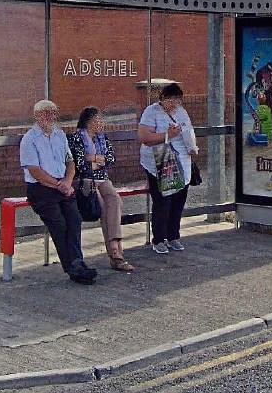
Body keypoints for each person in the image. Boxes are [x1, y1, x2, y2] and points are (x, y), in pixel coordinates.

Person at [20, 100, 97, 285]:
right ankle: (74, 268)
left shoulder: (60, 135)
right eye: (46, 113)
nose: (51, 116)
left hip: (62, 185)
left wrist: (68, 182)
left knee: (75, 220)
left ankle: (77, 264)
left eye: (54, 112)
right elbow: (35, 171)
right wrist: (59, 185)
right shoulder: (29, 139)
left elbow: (70, 162)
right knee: (59, 224)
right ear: (37, 116)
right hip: (41, 189)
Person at [67, 107, 134, 272]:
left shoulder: (102, 138)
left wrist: (93, 159)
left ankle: (115, 245)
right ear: (88, 121)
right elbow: (80, 165)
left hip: (103, 179)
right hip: (85, 181)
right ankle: (116, 255)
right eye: (98, 120)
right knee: (103, 208)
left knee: (114, 200)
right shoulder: (76, 138)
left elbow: (111, 159)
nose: (101, 123)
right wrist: (97, 161)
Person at [138, 83, 198, 254]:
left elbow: (189, 131)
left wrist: (192, 146)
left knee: (178, 200)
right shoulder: (151, 111)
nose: (174, 104)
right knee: (163, 201)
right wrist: (167, 135)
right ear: (163, 98)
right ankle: (159, 239)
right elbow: (144, 137)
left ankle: (173, 236)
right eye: (171, 100)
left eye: (178, 101)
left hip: (182, 161)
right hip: (160, 162)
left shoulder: (182, 112)